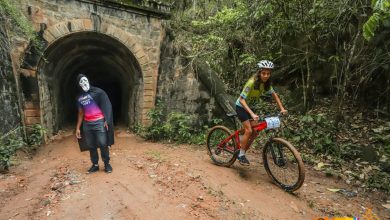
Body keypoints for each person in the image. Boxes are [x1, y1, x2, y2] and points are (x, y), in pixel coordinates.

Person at [235, 60, 287, 166]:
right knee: (249, 130)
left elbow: (274, 95)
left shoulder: (266, 84)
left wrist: (282, 108)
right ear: (259, 72)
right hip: (241, 106)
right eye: (264, 73)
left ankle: (242, 149)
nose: (266, 76)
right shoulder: (252, 82)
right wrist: (252, 114)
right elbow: (241, 99)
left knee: (255, 132)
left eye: (268, 74)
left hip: (250, 107)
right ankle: (240, 155)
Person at [75, 74, 114, 173]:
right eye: (81, 82)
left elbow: (107, 105)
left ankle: (107, 164)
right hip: (87, 124)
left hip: (99, 122)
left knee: (102, 143)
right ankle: (95, 165)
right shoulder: (79, 97)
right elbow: (80, 113)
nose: (84, 83)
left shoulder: (98, 92)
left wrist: (107, 120)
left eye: (85, 80)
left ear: (88, 80)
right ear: (79, 85)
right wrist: (78, 128)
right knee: (91, 145)